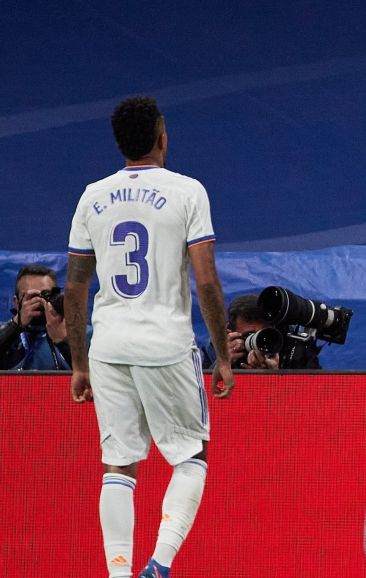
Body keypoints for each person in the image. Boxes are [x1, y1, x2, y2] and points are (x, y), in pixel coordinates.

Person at [64, 96, 234, 578]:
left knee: (118, 466)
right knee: (191, 456)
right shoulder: (187, 192)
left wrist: (79, 364)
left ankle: (119, 573)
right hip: (165, 344)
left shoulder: (92, 196)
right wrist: (223, 356)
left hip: (108, 346)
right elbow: (206, 281)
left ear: (120, 144)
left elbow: (74, 289)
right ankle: (160, 563)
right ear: (163, 138)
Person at [200, 294, 320, 370]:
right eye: (250, 335)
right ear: (230, 332)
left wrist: (276, 375)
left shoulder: (294, 347)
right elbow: (201, 395)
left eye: (266, 333)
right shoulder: (218, 347)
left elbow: (313, 396)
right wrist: (222, 364)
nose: (259, 341)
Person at [0, 264, 73, 369]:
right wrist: (16, 325)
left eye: (45, 295)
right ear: (16, 302)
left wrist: (62, 340)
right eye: (30, 297)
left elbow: (90, 372)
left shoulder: (80, 334)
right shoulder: (4, 333)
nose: (38, 301)